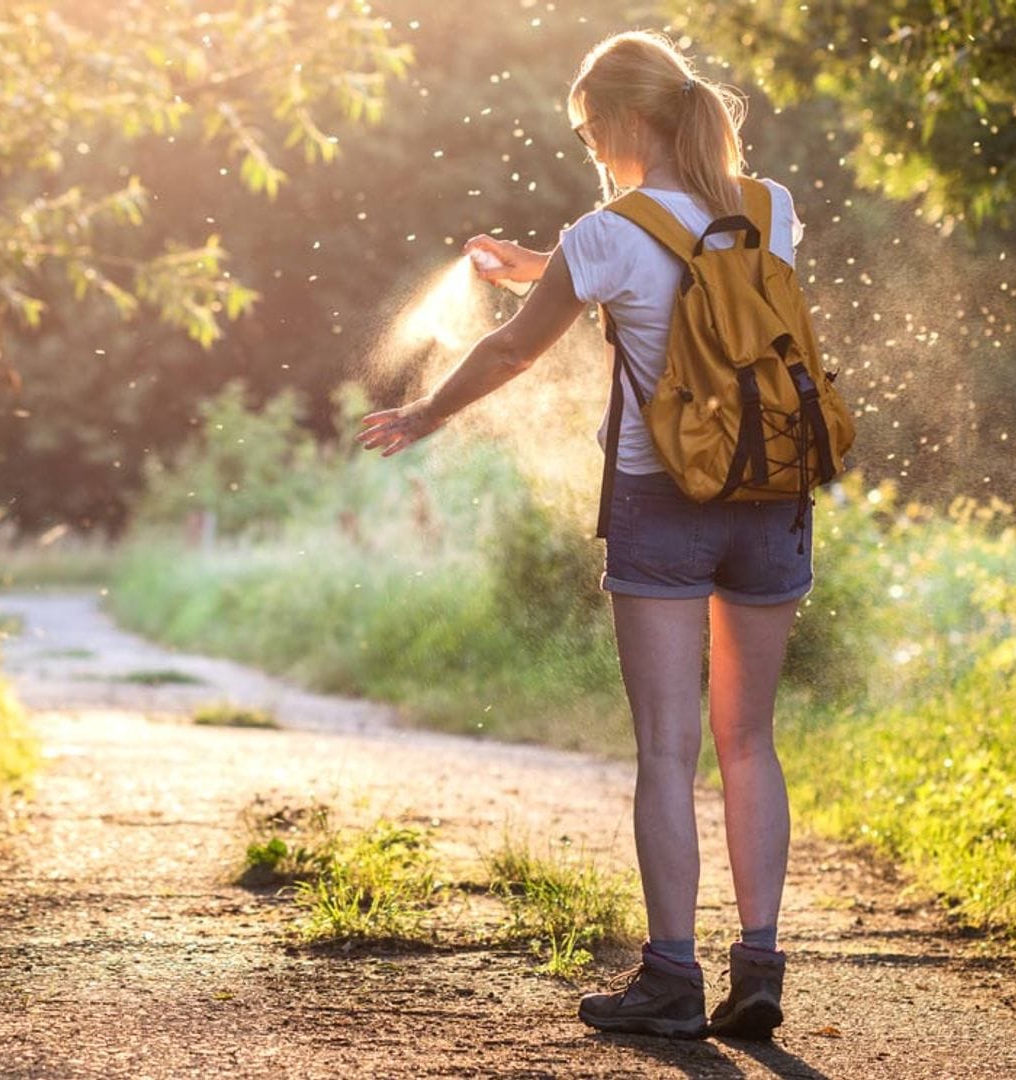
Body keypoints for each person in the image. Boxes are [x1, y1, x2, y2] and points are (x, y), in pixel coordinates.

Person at [358, 29, 809, 1041]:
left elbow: (519, 350)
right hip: (774, 494)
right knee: (749, 741)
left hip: (665, 502)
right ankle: (762, 963)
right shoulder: (773, 208)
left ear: (615, 123)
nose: (591, 152)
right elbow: (684, 264)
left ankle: (670, 979)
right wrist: (545, 261)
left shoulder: (605, 232)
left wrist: (425, 413)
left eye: (587, 131)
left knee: (665, 747)